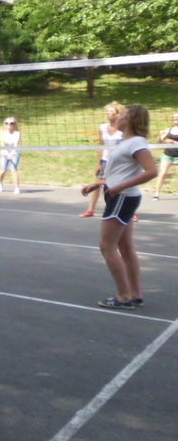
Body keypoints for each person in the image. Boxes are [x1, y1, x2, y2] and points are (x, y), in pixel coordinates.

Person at [81, 104, 157, 309]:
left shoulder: (137, 142)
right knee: (126, 247)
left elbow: (152, 171)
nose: (117, 118)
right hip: (120, 196)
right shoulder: (126, 141)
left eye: (121, 115)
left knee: (106, 247)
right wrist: (100, 183)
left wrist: (121, 186)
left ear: (130, 119)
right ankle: (135, 295)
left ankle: (123, 297)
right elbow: (121, 173)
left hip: (122, 197)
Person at [81, 102, 124, 217]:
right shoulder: (103, 127)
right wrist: (98, 163)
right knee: (97, 185)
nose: (108, 113)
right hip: (105, 161)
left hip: (118, 162)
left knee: (122, 185)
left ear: (118, 114)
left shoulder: (123, 129)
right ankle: (90, 210)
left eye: (111, 111)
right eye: (107, 111)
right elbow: (101, 145)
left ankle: (131, 212)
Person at [152, 112, 178, 200]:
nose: (176, 119)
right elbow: (159, 142)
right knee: (162, 173)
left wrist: (174, 142)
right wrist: (160, 136)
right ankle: (156, 194)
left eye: (177, 118)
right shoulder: (168, 130)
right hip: (168, 155)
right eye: (174, 118)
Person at [0, 117, 22, 194]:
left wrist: (12, 154)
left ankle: (17, 188)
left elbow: (16, 144)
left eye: (12, 123)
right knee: (3, 170)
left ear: (15, 124)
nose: (9, 125)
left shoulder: (17, 132)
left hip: (15, 152)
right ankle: (0, 183)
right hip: (4, 152)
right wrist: (8, 154)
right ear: (4, 124)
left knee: (13, 170)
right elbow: (3, 144)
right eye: (7, 123)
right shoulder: (2, 132)